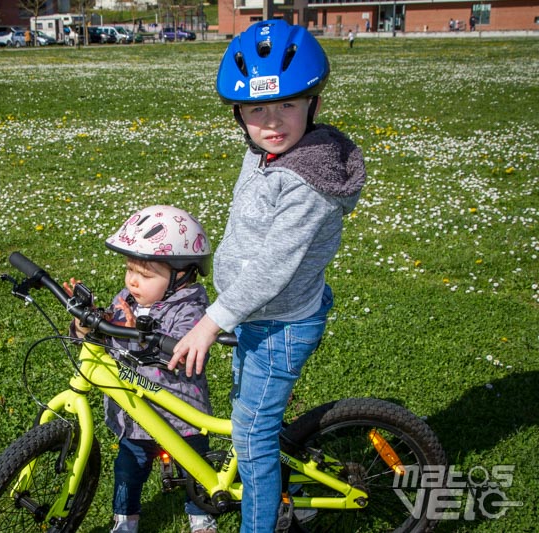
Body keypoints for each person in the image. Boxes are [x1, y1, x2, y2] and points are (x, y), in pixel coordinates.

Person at [168, 20, 366, 532]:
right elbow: (247, 227)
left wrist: (213, 320)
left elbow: (275, 265)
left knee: (250, 440)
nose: (272, 121)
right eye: (257, 109)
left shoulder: (307, 183)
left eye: (287, 105)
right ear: (239, 115)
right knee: (248, 416)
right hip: (253, 313)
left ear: (313, 106)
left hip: (280, 324)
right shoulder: (263, 153)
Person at [65, 205, 218, 533]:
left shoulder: (191, 309)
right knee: (128, 468)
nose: (133, 281)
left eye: (145, 275)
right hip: (136, 412)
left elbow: (179, 353)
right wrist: (86, 322)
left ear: (182, 275)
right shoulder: (129, 299)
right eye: (130, 270)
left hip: (181, 414)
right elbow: (104, 334)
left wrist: (139, 336)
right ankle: (126, 518)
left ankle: (201, 514)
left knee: (195, 466)